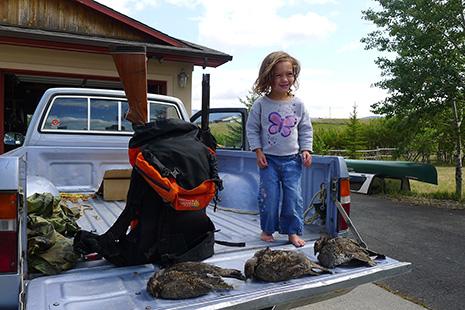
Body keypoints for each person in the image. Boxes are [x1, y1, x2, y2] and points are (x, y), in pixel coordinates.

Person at [246, 51, 313, 248]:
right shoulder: (261, 104)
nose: (285, 79)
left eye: (289, 74)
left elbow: (305, 128)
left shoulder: (297, 104)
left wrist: (306, 149)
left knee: (293, 197)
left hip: (293, 160)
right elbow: (252, 129)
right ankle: (267, 229)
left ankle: (292, 232)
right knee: (269, 196)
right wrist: (257, 151)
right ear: (268, 77)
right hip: (269, 161)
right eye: (279, 75)